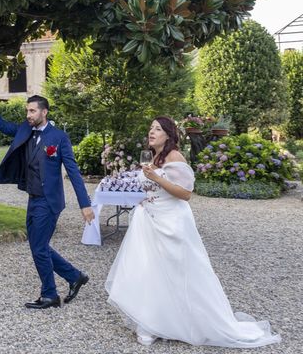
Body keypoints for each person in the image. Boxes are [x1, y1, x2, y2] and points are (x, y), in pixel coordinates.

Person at [105, 116, 281, 348]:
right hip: (149, 219)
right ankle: (152, 322)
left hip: (173, 221)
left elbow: (185, 193)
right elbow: (153, 188)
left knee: (178, 271)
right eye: (150, 129)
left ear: (168, 134)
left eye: (157, 129)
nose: (152, 132)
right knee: (151, 270)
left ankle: (185, 321)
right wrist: (147, 197)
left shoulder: (175, 156)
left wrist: (156, 177)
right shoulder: (153, 157)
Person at [0, 83, 94, 309]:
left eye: (32, 111)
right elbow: (1, 125)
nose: (28, 115)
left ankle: (50, 295)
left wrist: (85, 204)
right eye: (27, 111)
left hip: (49, 201)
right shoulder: (25, 130)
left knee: (39, 247)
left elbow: (73, 172)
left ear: (44, 112)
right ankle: (75, 276)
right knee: (39, 245)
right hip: (33, 198)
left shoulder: (59, 138)